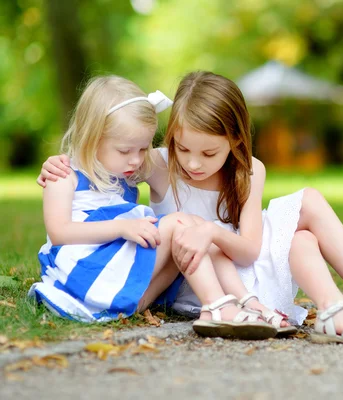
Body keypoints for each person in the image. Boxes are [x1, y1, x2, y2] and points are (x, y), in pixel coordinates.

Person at [39, 71, 343, 346]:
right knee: (292, 235)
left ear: (235, 140)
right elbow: (104, 157)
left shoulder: (249, 172)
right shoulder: (157, 164)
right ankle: (339, 312)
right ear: (173, 138)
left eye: (209, 152)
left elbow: (249, 249)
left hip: (242, 262)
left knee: (307, 216)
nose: (193, 163)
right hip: (204, 279)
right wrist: (55, 165)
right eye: (183, 147)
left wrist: (212, 230)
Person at [31, 75, 277, 340]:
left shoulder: (122, 173)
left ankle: (241, 301)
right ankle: (217, 306)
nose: (136, 160)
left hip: (125, 289)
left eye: (143, 149)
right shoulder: (65, 175)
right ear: (92, 137)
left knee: (193, 232)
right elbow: (59, 233)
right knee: (181, 223)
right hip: (88, 275)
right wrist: (123, 227)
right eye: (125, 150)